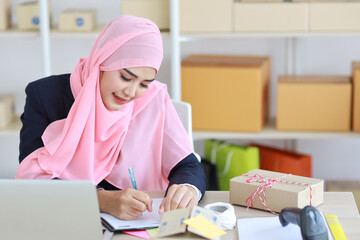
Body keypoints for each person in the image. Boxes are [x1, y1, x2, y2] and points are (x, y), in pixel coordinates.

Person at [16, 15, 206, 220]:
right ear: (102, 60)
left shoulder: (153, 100)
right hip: (66, 218)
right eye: (126, 77)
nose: (131, 92)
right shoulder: (44, 96)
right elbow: (32, 183)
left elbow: (188, 165)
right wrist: (103, 201)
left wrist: (188, 188)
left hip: (138, 223)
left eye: (144, 84)